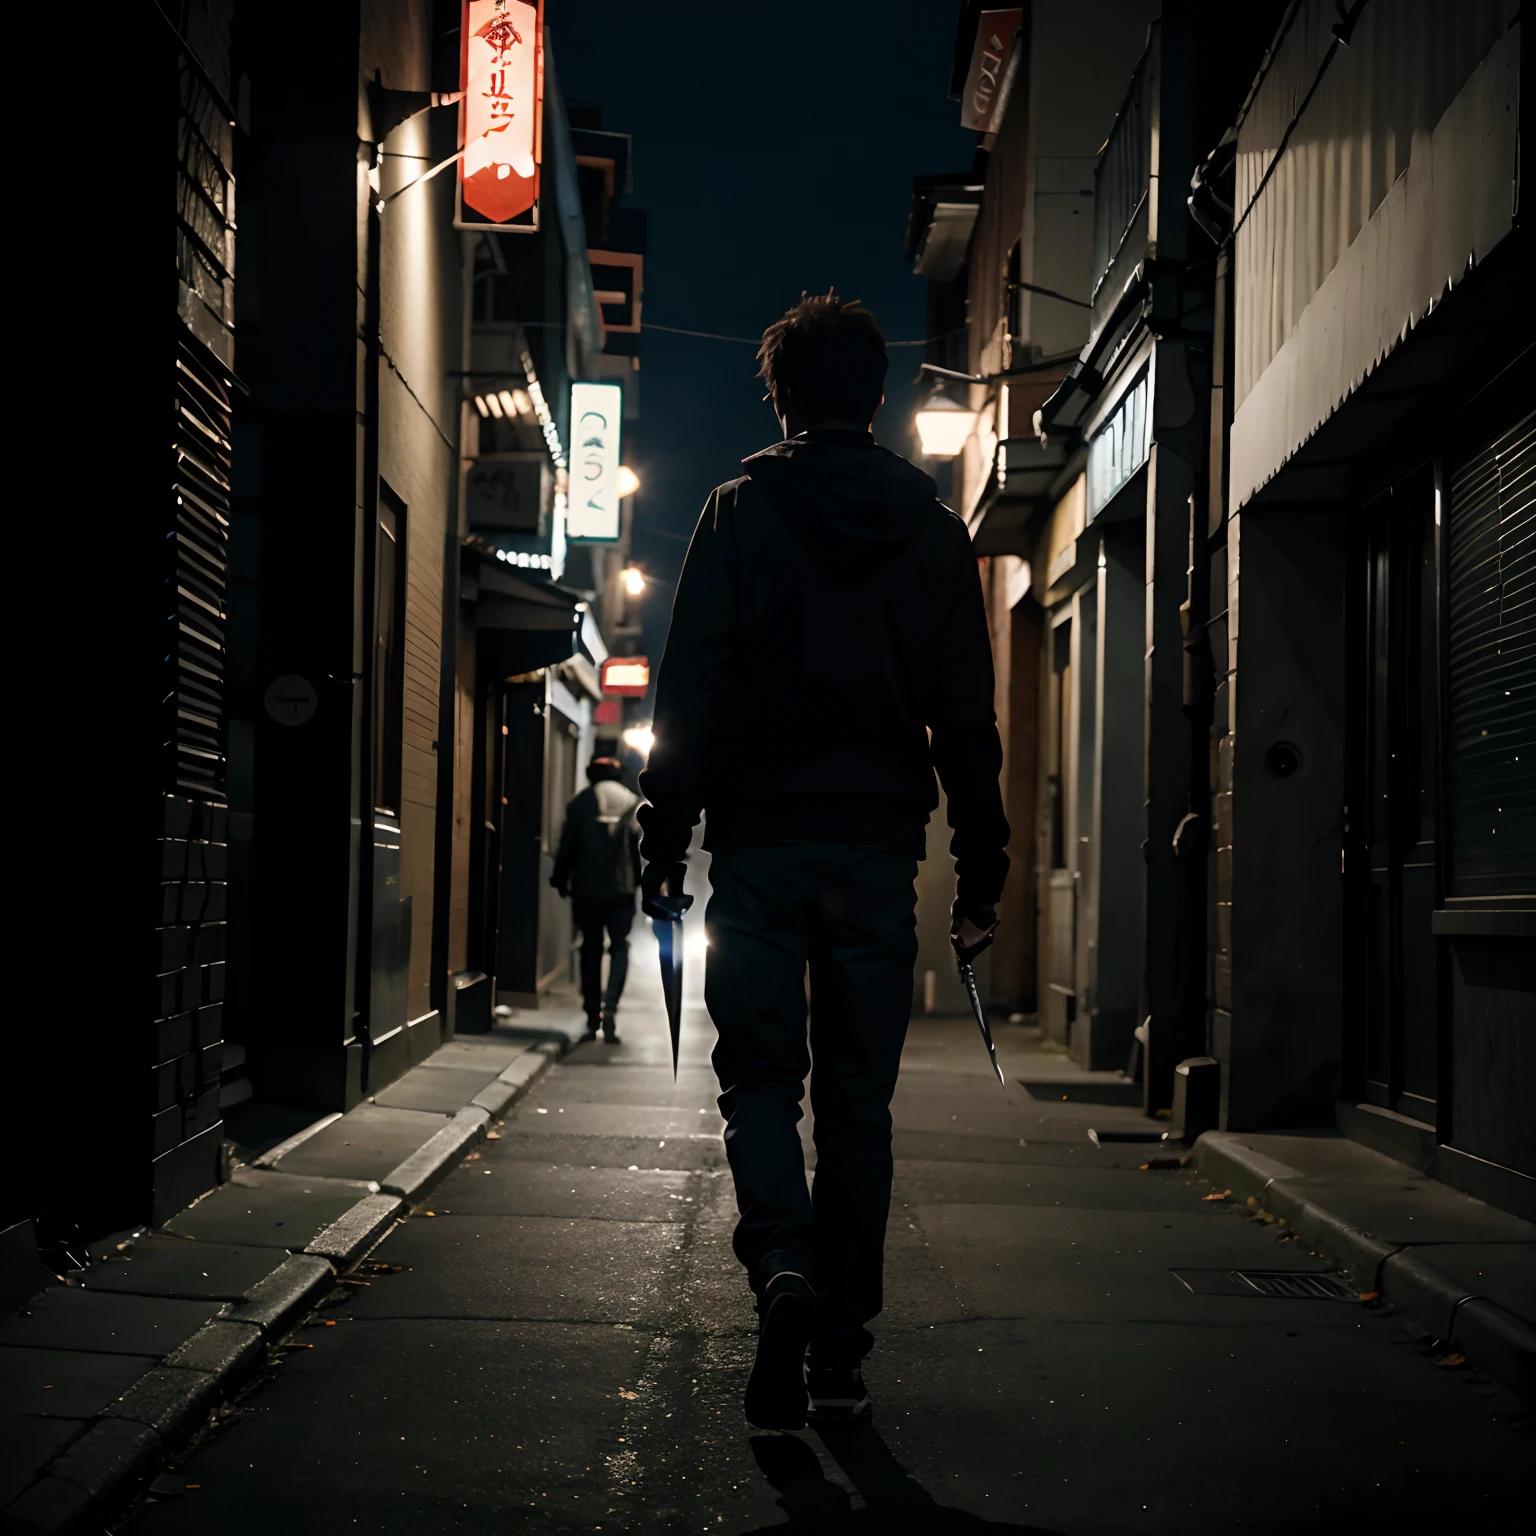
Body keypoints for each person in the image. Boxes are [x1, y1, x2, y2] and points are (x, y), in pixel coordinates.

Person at [637, 293, 1009, 1431]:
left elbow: (689, 686)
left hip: (756, 842)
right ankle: (842, 1341)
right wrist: (982, 873)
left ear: (781, 395)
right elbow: (966, 716)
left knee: (758, 1078)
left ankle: (783, 1271)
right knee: (858, 1098)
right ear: (879, 397)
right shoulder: (935, 533)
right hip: (877, 849)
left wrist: (666, 837)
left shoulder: (738, 511)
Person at [551, 756, 642, 1043]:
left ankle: (592, 1016)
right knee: (619, 947)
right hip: (622, 891)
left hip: (587, 889)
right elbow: (640, 851)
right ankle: (611, 1006)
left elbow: (567, 846)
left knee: (590, 948)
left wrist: (560, 878)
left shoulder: (580, 803)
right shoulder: (632, 803)